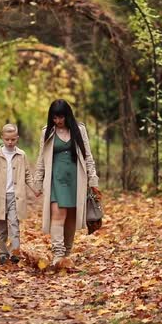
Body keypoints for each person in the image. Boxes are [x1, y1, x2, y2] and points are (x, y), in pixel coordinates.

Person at [34, 99, 101, 265]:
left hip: (76, 179)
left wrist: (93, 180)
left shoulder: (79, 130)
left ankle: (67, 253)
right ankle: (58, 254)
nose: (58, 121)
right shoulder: (47, 132)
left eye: (61, 118)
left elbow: (87, 156)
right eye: (55, 118)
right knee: (58, 214)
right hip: (55, 179)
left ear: (67, 115)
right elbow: (41, 159)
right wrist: (37, 183)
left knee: (71, 216)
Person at [0, 123, 39, 265]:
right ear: (2, 138)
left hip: (16, 196)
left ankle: (15, 252)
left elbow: (27, 175)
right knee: (1, 227)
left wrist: (35, 189)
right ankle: (3, 253)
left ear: (17, 138)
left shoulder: (21, 155)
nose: (10, 142)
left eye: (13, 140)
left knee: (14, 224)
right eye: (7, 139)